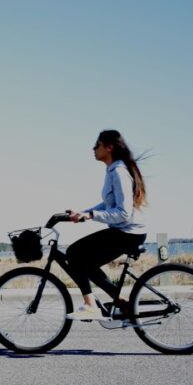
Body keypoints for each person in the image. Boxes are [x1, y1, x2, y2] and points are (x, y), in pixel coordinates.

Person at [65, 130, 148, 320]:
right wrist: (84, 214)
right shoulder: (113, 170)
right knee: (84, 262)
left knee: (73, 253)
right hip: (126, 231)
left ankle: (90, 305)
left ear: (109, 147)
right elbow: (108, 204)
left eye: (97, 145)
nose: (93, 149)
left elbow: (123, 212)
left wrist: (91, 215)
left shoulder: (118, 171)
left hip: (128, 232)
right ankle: (120, 300)